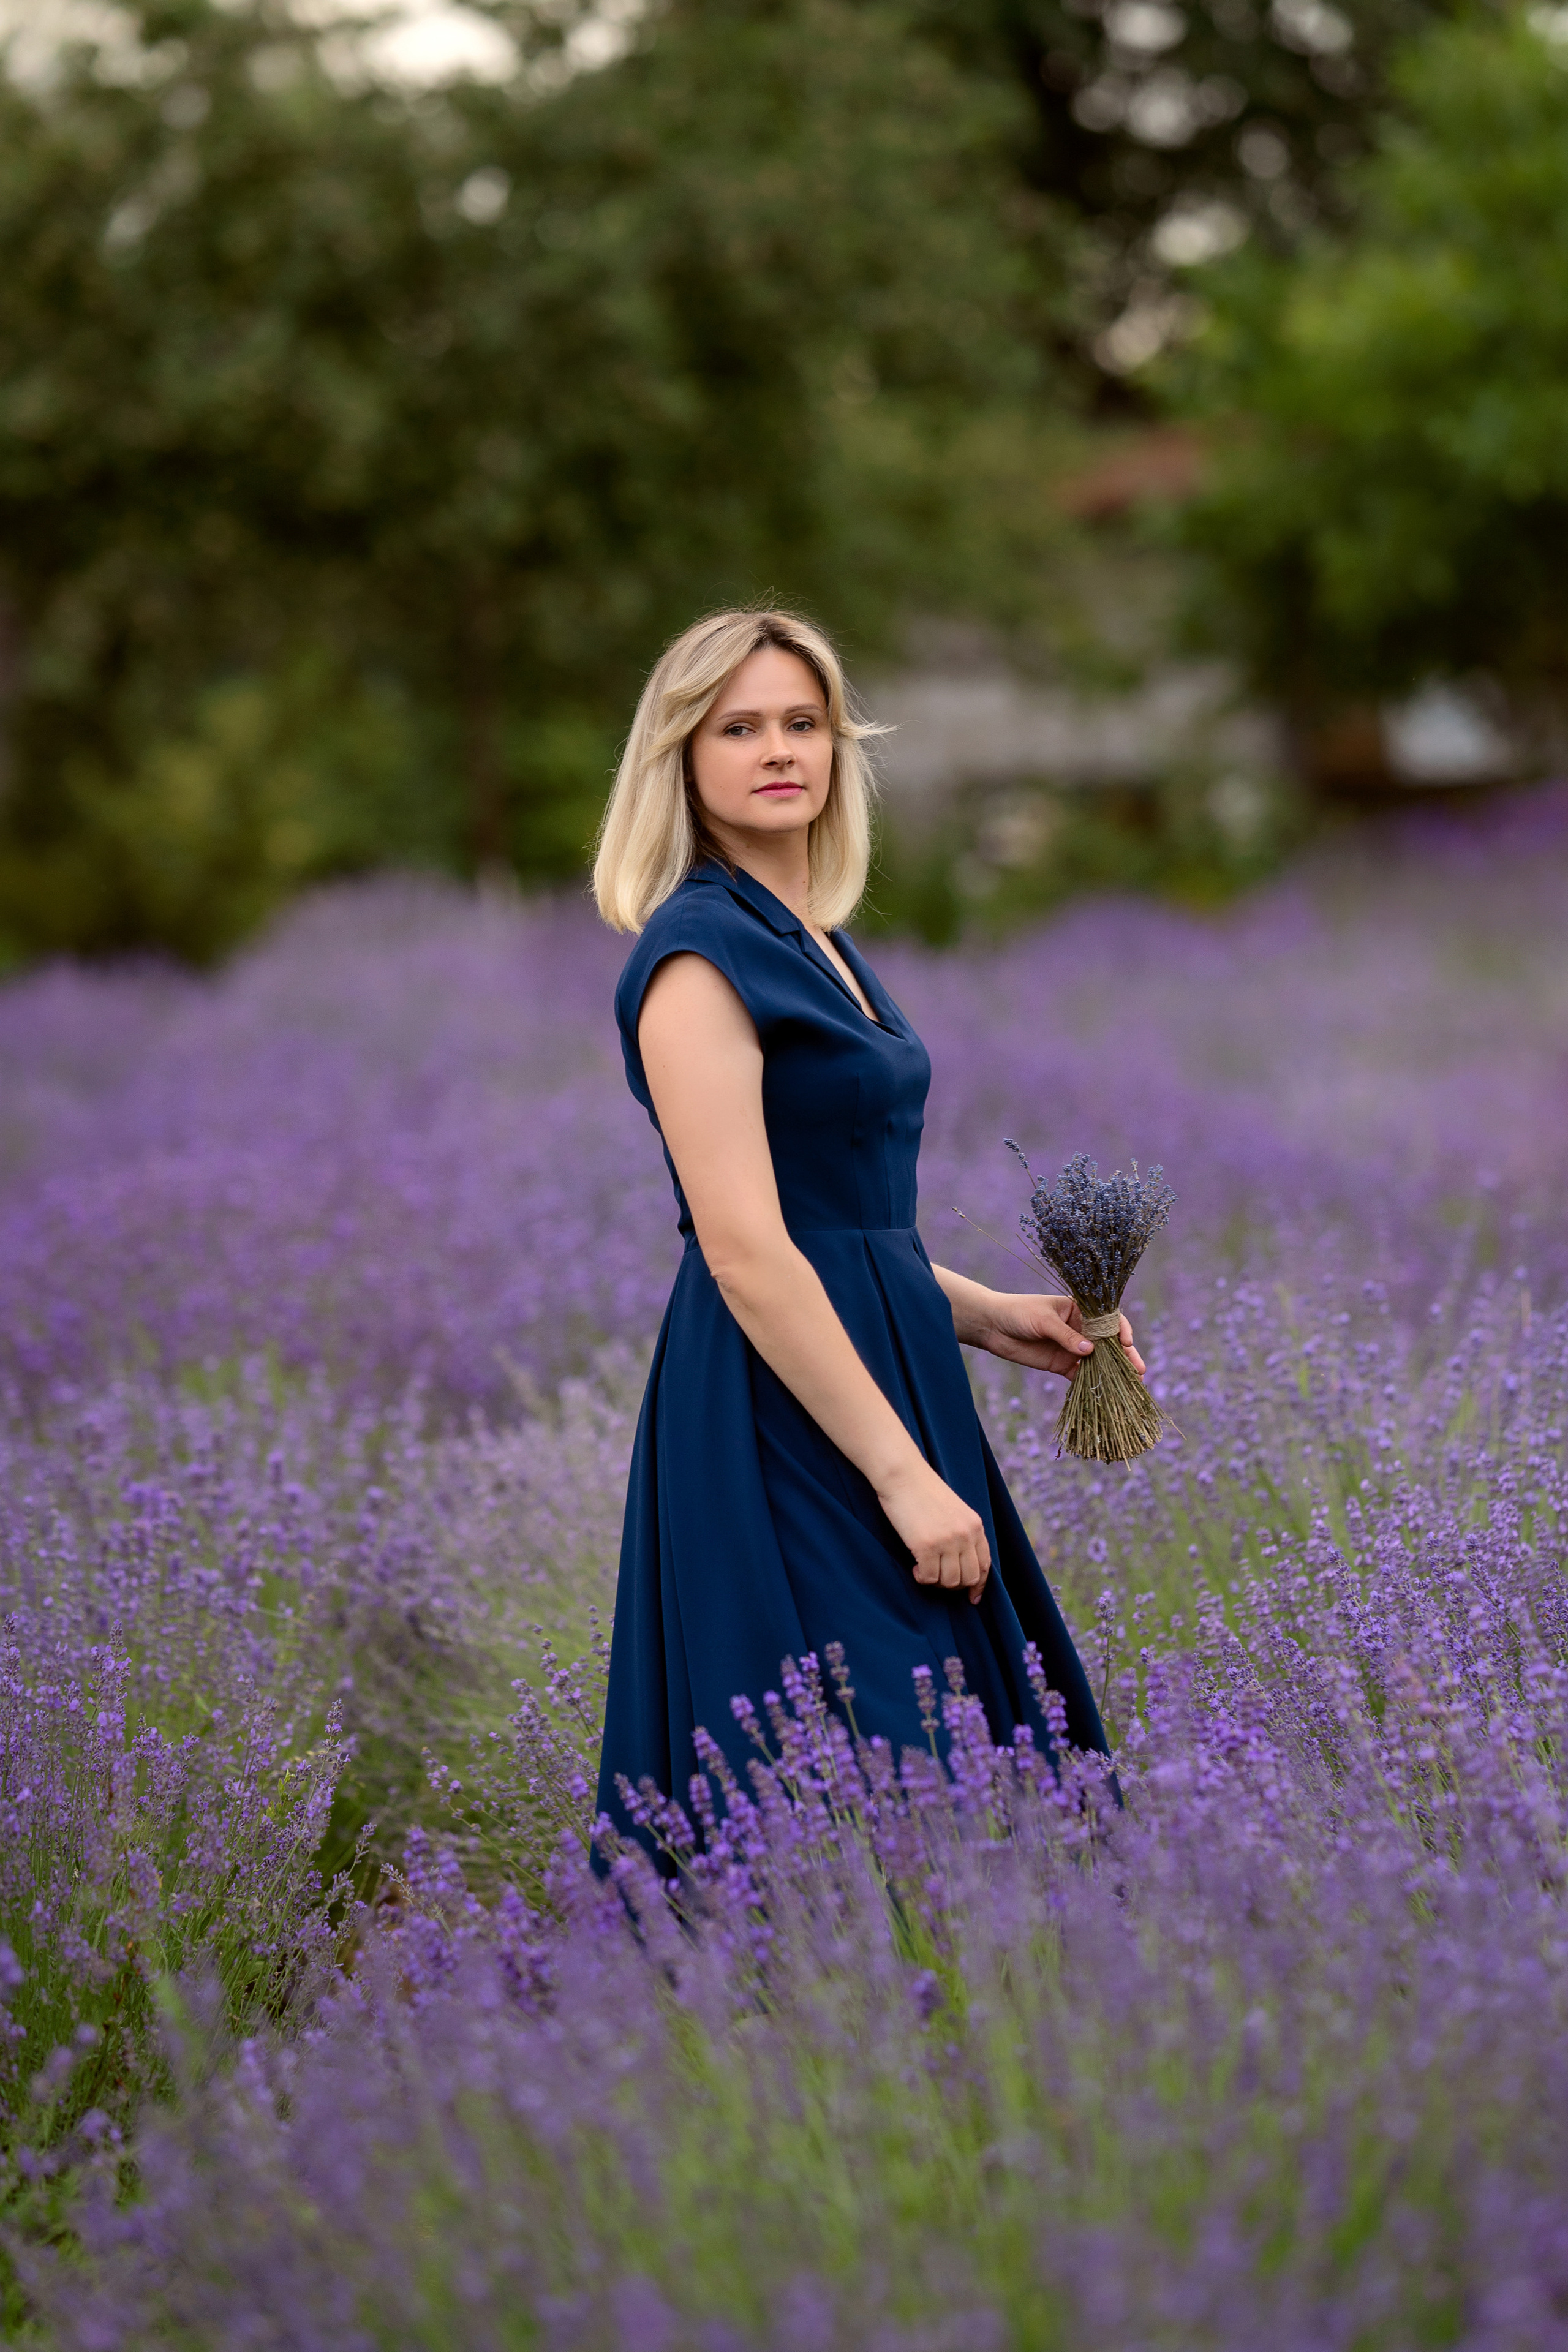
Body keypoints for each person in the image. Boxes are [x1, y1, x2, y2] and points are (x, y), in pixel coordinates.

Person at [592, 608, 1142, 1836]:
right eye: (738, 728)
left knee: (961, 1756)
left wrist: (989, 1314)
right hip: (787, 1409)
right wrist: (899, 1475)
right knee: (875, 1764)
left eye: (802, 723)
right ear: (680, 757)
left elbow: (841, 1223)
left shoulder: (817, 941)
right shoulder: (696, 960)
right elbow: (740, 1245)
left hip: (880, 1364)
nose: (777, 749)